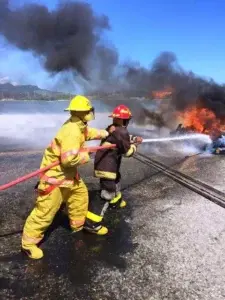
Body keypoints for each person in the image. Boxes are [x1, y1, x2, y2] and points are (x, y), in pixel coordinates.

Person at [21, 95, 109, 259]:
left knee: (80, 197)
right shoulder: (71, 131)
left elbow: (87, 133)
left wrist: (103, 133)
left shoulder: (78, 125)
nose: (91, 112)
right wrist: (86, 155)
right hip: (56, 178)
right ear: (83, 113)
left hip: (69, 177)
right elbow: (68, 160)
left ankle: (78, 226)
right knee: (45, 211)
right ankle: (28, 244)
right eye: (89, 110)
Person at [84, 104, 143, 235]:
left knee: (116, 179)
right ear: (124, 120)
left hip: (106, 165)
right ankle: (91, 223)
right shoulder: (121, 131)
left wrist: (134, 138)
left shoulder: (113, 128)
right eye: (127, 119)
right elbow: (127, 152)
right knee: (107, 193)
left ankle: (115, 202)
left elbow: (123, 139)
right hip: (107, 167)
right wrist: (135, 146)